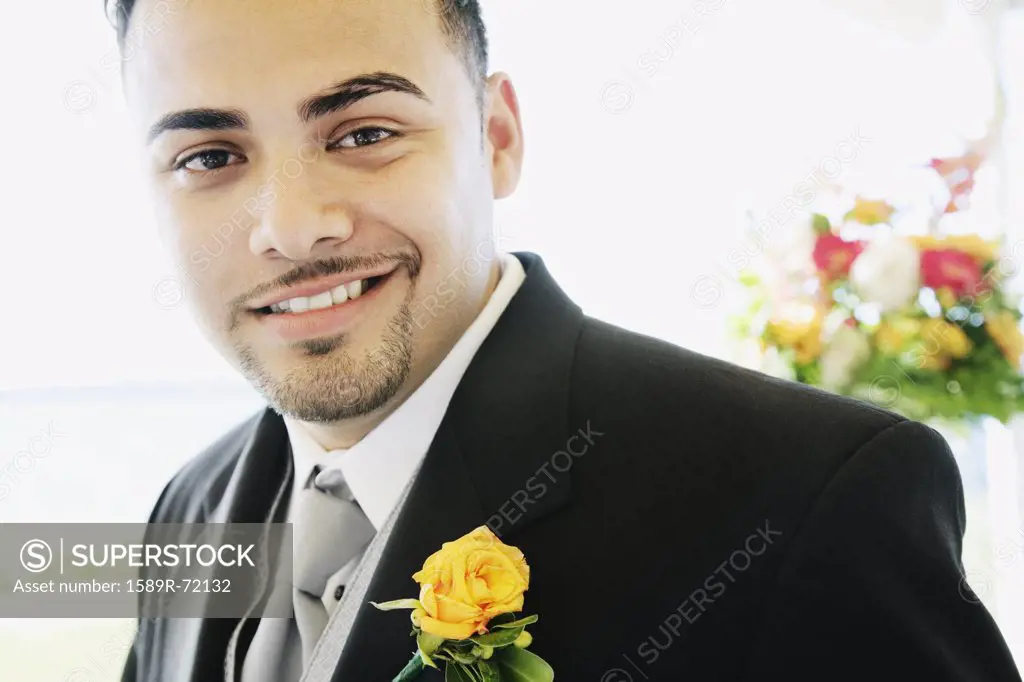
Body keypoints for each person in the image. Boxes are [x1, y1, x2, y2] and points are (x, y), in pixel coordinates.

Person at [109, 0, 1022, 680]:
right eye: (208, 158)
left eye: (365, 132)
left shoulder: (810, 499)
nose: (293, 227)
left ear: (497, 137)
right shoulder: (184, 510)